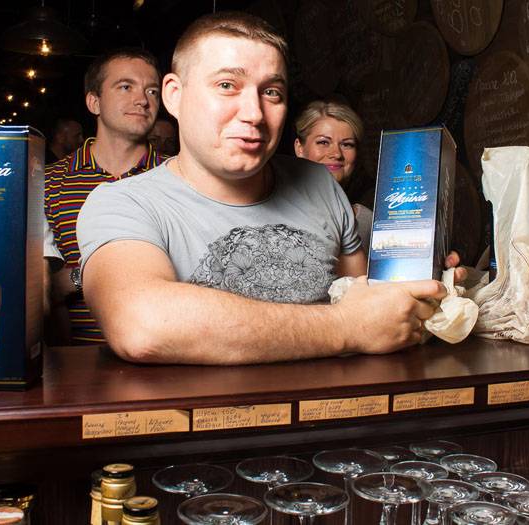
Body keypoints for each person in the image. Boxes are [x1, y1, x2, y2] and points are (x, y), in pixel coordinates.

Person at [76, 12, 448, 365]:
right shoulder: (123, 203)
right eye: (227, 86)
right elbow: (141, 324)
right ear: (173, 95)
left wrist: (425, 285)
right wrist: (346, 327)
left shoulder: (320, 184)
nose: (254, 113)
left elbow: (368, 301)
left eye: (271, 92)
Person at [44, 47, 165, 344]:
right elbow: (41, 288)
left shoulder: (179, 177)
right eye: (126, 87)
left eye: (152, 91)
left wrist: (81, 276)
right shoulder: (51, 182)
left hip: (165, 354)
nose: (142, 100)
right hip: (76, 358)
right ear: (94, 102)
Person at [293, 100, 373, 248]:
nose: (336, 154)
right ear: (300, 148)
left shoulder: (366, 221)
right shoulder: (275, 209)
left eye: (347, 144)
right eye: (323, 142)